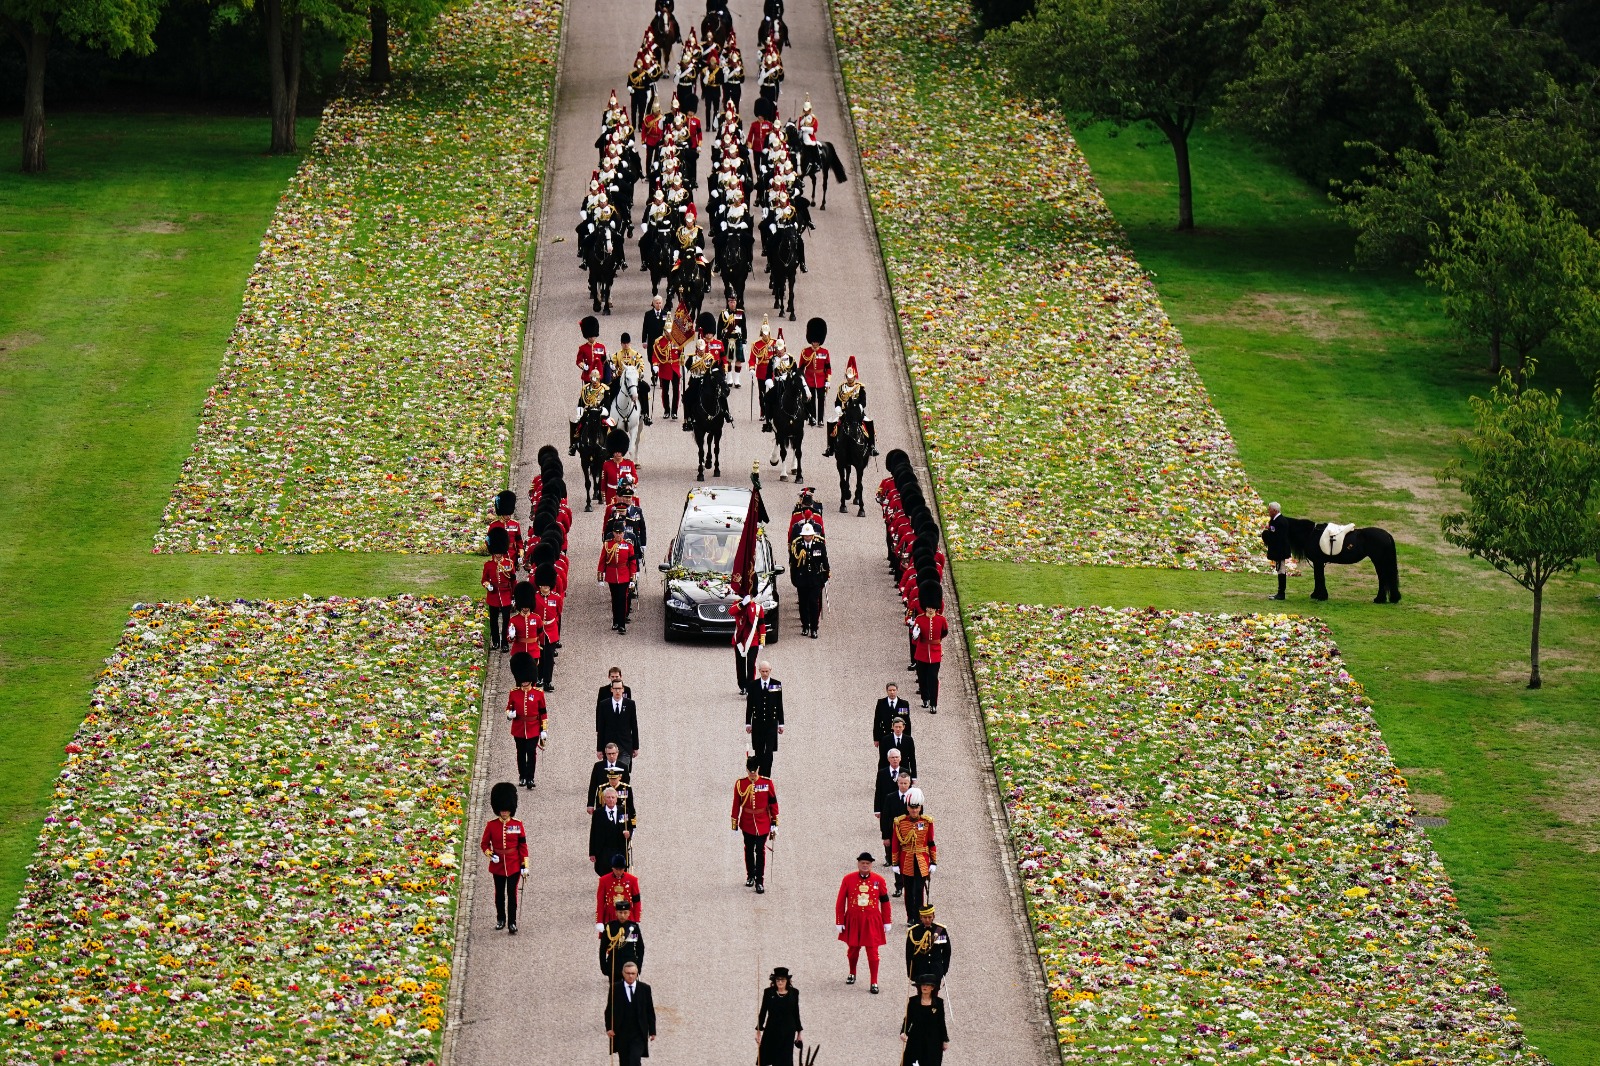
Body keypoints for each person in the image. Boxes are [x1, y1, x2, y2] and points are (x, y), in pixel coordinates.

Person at [835, 851, 893, 993]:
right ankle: (852, 972)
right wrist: (839, 920)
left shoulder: (879, 880)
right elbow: (841, 901)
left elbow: (885, 902)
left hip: (872, 921)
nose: (865, 866)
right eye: (862, 863)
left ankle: (874, 982)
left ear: (871, 865)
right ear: (858, 864)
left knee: (873, 952)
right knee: (853, 950)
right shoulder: (848, 879)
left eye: (867, 863)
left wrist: (887, 920)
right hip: (854, 920)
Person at [480, 782, 527, 933]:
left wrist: (525, 865)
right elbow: (484, 844)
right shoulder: (491, 825)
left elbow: (522, 846)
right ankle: (501, 919)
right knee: (499, 894)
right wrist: (490, 854)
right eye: (502, 811)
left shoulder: (517, 824)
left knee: (512, 894)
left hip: (513, 864)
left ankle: (512, 922)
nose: (505, 813)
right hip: (498, 865)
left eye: (507, 811)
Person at [732, 754, 779, 892]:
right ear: (747, 770)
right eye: (750, 771)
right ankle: (750, 875)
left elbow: (773, 804)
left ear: (758, 769)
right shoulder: (741, 784)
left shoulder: (767, 783)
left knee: (760, 850)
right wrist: (734, 820)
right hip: (747, 822)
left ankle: (760, 880)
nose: (752, 774)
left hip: (763, 822)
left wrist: (774, 823)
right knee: (748, 850)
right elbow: (736, 803)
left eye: (754, 771)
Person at [891, 788, 936, 925]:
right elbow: (895, 844)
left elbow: (931, 842)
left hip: (922, 860)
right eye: (912, 807)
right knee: (909, 891)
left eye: (917, 808)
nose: (914, 811)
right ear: (908, 807)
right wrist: (895, 863)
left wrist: (934, 861)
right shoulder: (900, 822)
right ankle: (910, 917)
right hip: (907, 860)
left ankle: (919, 917)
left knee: (919, 890)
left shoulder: (927, 822)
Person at [507, 652, 548, 788]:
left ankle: (530, 778)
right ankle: (522, 776)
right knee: (520, 753)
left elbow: (543, 712)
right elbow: (509, 708)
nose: (524, 682)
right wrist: (510, 714)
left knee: (531, 752)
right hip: (519, 727)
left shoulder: (538, 693)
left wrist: (544, 729)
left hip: (533, 727)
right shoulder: (514, 693)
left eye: (526, 679)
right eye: (522, 680)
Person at [605, 960, 657, 1066]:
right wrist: (609, 1028)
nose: (630, 976)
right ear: (623, 973)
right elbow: (609, 1009)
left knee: (635, 1060)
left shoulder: (645, 989)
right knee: (624, 1061)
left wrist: (652, 1030)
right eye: (628, 973)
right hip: (621, 1032)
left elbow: (649, 1010)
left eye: (633, 973)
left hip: (638, 1032)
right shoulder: (615, 988)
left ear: (637, 974)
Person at [910, 587, 950, 712]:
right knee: (922, 678)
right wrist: (915, 635)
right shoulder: (919, 619)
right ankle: (925, 699)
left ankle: (933, 704)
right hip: (921, 652)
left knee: (933, 678)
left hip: (935, 652)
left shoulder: (941, 619)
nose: (931, 609)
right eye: (928, 607)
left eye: (932, 607)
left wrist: (937, 642)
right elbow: (915, 640)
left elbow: (944, 632)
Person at [787, 522, 829, 638]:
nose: (807, 537)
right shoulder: (798, 545)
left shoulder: (819, 545)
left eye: (809, 535)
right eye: (805, 536)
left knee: (814, 604)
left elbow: (824, 561)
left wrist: (825, 577)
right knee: (803, 604)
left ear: (812, 535)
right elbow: (794, 564)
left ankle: (814, 628)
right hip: (802, 580)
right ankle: (805, 626)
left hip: (815, 580)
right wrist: (794, 580)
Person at [755, 967, 804, 1065]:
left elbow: (796, 1012)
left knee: (784, 1059)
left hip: (788, 1031)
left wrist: (799, 1032)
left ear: (787, 981)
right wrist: (758, 1031)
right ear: (774, 981)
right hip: (771, 1029)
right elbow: (763, 1011)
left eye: (782, 980)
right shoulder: (768, 992)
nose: (780, 982)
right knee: (768, 1056)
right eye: (778, 980)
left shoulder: (794, 993)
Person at [876, 767, 914, 893]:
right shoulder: (890, 798)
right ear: (897, 783)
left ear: (909, 784)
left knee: (910, 861)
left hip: (911, 835)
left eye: (905, 783)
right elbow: (885, 818)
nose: (903, 786)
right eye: (901, 783)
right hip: (895, 834)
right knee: (896, 861)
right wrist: (885, 836)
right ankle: (899, 886)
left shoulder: (914, 797)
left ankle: (909, 886)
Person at [745, 659, 784, 777]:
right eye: (763, 671)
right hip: (758, 724)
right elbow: (750, 705)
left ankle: (766, 776)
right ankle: (759, 775)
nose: (765, 674)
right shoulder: (753, 685)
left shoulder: (775, 684)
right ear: (759, 671)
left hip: (771, 724)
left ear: (770, 670)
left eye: (767, 671)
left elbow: (779, 704)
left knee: (769, 752)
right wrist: (748, 723)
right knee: (759, 751)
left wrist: (781, 723)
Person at [899, 975, 950, 1066]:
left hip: (933, 1040)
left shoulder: (938, 1003)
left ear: (932, 987)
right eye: (922, 985)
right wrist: (903, 1031)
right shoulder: (913, 1001)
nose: (924, 987)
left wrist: (945, 1040)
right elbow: (908, 1018)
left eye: (927, 985)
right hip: (916, 1039)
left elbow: (941, 1022)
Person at [599, 521, 639, 633]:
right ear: (613, 533)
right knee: (615, 599)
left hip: (624, 574)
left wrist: (633, 578)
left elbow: (632, 563)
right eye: (616, 533)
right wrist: (600, 576)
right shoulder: (608, 544)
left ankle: (622, 625)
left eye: (620, 533)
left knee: (622, 599)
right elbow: (602, 561)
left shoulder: (628, 545)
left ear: (623, 533)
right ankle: (615, 622)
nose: (618, 535)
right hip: (612, 574)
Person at [481, 526, 516, 652]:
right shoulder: (488, 565)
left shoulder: (508, 563)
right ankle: (495, 641)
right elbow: (484, 580)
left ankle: (504, 642)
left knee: (506, 620)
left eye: (499, 552)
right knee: (494, 621)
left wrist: (513, 596)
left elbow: (513, 580)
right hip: (494, 595)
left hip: (506, 595)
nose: (498, 554)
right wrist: (488, 586)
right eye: (496, 552)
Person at [905, 905, 951, 991]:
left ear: (934, 916)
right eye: (924, 917)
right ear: (920, 917)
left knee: (935, 996)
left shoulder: (940, 930)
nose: (927, 920)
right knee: (921, 996)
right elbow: (909, 954)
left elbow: (946, 951)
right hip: (920, 970)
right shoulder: (914, 932)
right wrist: (910, 973)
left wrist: (944, 970)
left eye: (929, 917)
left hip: (936, 970)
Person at [595, 677, 641, 763]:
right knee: (610, 774)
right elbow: (601, 728)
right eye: (615, 688)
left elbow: (634, 726)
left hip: (625, 746)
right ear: (611, 689)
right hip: (609, 748)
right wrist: (599, 749)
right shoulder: (604, 705)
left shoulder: (630, 704)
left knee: (623, 774)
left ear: (623, 689)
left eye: (619, 688)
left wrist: (635, 747)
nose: (617, 691)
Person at [590, 788, 633, 876]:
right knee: (605, 874)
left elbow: (629, 827)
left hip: (619, 849)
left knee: (620, 874)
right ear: (604, 799)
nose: (611, 799)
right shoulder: (598, 814)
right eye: (608, 797)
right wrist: (592, 852)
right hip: (604, 850)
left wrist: (628, 833)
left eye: (613, 797)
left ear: (616, 799)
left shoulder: (623, 811)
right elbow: (593, 833)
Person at [600, 897, 645, 977]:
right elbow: (603, 948)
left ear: (629, 913)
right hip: (614, 965)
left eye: (625, 912)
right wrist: (604, 967)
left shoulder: (633, 928)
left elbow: (640, 948)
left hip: (630, 966)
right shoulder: (609, 927)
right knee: (615, 989)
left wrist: (638, 966)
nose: (622, 915)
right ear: (616, 913)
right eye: (620, 912)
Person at [799, 317, 831, 427]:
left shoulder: (824, 352)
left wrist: (828, 381)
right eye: (814, 341)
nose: (815, 343)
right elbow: (801, 368)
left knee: (821, 400)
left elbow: (828, 368)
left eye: (817, 341)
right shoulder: (805, 352)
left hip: (821, 379)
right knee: (811, 399)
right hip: (809, 378)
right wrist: (802, 380)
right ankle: (812, 417)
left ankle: (820, 419)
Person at [732, 593, 766, 693]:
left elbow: (761, 624)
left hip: (753, 639)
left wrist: (762, 641)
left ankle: (750, 686)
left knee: (751, 663)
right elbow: (731, 612)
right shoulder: (738, 605)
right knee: (740, 664)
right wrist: (742, 604)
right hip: (740, 639)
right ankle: (742, 686)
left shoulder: (758, 608)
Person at [597, 854, 642, 925]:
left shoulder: (633, 880)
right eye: (616, 869)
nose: (618, 872)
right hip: (610, 917)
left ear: (624, 868)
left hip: (628, 917)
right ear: (612, 868)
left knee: (633, 936)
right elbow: (600, 902)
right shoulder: (603, 880)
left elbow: (637, 901)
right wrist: (599, 921)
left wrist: (637, 919)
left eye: (620, 869)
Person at [588, 742, 630, 811]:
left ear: (617, 753)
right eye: (609, 754)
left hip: (618, 803)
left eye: (613, 753)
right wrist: (590, 805)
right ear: (605, 754)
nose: (611, 756)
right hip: (601, 803)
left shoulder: (623, 767)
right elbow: (593, 786)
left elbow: (626, 787)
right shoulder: (598, 766)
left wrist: (628, 807)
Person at [1262, 501, 1291, 600]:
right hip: (1279, 550)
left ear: (1274, 510)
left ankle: (1281, 593)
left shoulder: (1280, 521)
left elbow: (1277, 537)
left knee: (1281, 570)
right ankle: (1280, 592)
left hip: (1280, 550)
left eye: (1269, 509)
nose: (1268, 511)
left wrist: (1266, 535)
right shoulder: (1277, 520)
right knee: (1280, 570)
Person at [577, 314, 609, 382]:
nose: (592, 338)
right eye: (590, 337)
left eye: (593, 336)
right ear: (587, 337)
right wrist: (584, 366)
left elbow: (604, 360)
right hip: (588, 375)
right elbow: (579, 361)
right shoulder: (582, 348)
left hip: (599, 375)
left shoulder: (601, 347)